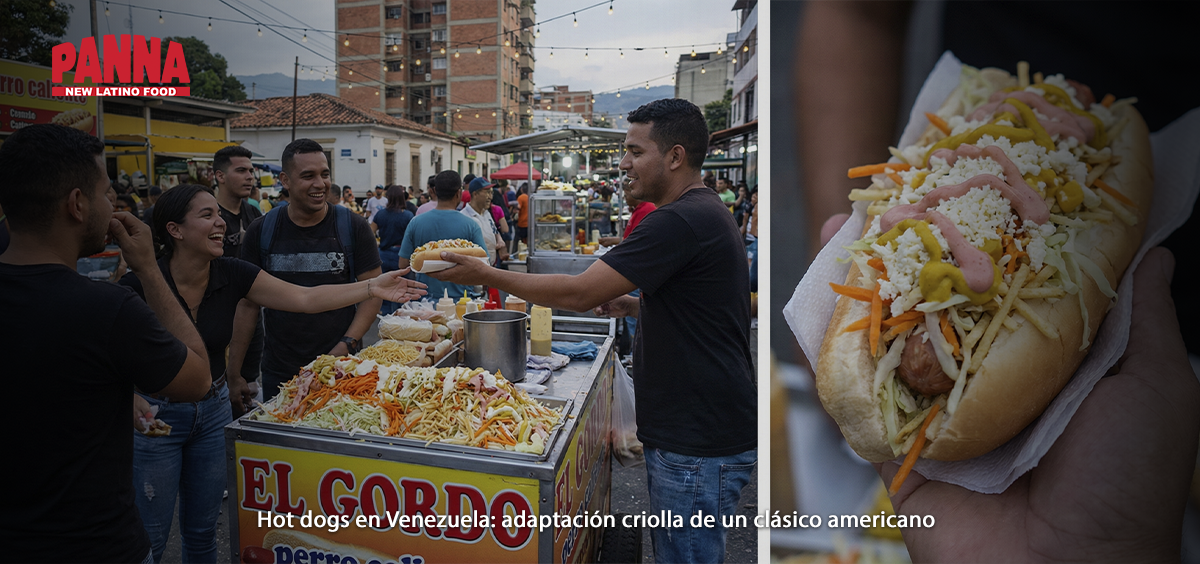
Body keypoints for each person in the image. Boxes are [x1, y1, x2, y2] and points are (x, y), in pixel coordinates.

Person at [430, 99, 756, 563]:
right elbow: (707, 309)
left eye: (635, 151)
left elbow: (580, 292)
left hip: (697, 439)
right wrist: (635, 304)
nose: (623, 163)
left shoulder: (679, 219)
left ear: (675, 156)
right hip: (700, 429)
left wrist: (487, 273)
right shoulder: (702, 211)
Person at [118, 184, 424, 562]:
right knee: (150, 536)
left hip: (212, 411)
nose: (221, 223)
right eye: (207, 215)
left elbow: (304, 298)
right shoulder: (139, 283)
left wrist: (372, 286)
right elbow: (102, 353)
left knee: (202, 530)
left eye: (219, 214)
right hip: (156, 417)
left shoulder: (232, 272)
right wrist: (126, 396)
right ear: (174, 230)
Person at [0, 123, 211, 563]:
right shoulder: (107, 309)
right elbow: (197, 380)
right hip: (94, 546)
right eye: (105, 193)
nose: (112, 204)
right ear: (77, 204)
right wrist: (149, 270)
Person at [239, 139, 384, 401]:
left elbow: (373, 293)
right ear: (285, 180)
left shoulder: (353, 227)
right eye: (308, 176)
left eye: (324, 174)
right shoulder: (261, 231)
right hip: (280, 370)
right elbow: (247, 305)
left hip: (342, 368)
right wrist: (234, 372)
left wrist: (347, 344)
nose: (320, 184)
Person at [214, 145, 267, 398]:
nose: (249, 177)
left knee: (249, 385)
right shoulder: (208, 216)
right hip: (217, 313)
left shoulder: (253, 213)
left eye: (251, 171)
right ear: (220, 176)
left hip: (251, 312)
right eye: (241, 171)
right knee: (219, 387)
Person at [397, 170, 487, 302]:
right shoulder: (471, 225)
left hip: (425, 301)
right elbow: (484, 266)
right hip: (462, 302)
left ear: (434, 191)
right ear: (459, 193)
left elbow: (403, 264)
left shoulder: (415, 223)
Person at [372, 184, 416, 314]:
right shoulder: (408, 215)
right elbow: (413, 237)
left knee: (385, 289)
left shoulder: (380, 214)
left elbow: (369, 232)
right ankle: (400, 315)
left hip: (383, 254)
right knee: (403, 289)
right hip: (402, 255)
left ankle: (386, 316)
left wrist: (376, 244)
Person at [461, 177, 506, 266]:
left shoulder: (486, 213)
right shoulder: (464, 217)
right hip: (475, 268)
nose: (490, 197)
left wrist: (499, 240)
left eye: (491, 193)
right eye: (487, 193)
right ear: (475, 194)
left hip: (491, 265)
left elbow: (494, 230)